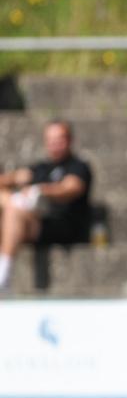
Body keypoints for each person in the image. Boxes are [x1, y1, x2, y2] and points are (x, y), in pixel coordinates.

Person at [0, 120, 92, 292]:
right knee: (7, 201)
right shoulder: (40, 169)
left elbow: (71, 188)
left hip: (61, 226)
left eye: (59, 139)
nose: (54, 144)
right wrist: (13, 186)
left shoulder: (77, 167)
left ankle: (3, 274)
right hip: (31, 221)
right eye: (50, 140)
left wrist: (40, 191)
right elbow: (13, 179)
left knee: (12, 210)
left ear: (69, 140)